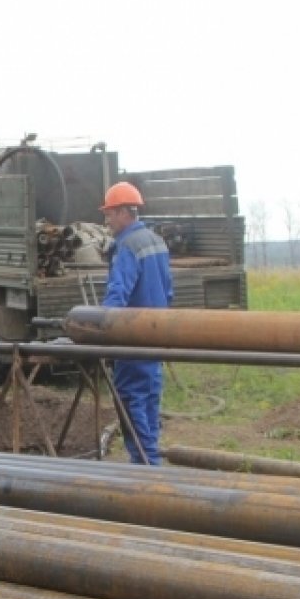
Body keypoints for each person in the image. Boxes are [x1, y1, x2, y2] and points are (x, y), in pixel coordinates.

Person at [100, 181, 173, 465]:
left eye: (109, 214)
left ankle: (145, 465)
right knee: (150, 396)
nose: (107, 221)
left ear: (122, 213)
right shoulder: (156, 241)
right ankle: (150, 456)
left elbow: (119, 293)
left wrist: (102, 328)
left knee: (131, 401)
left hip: (131, 337)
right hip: (155, 334)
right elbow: (168, 289)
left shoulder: (127, 246)